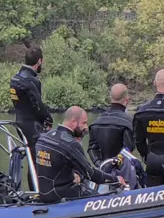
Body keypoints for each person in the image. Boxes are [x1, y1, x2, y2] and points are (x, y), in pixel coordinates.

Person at [34, 107, 123, 203]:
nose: (86, 127)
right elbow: (91, 174)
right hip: (62, 195)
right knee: (102, 198)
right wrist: (116, 179)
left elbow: (54, 167)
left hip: (44, 194)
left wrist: (75, 174)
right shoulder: (71, 144)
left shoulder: (43, 138)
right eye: (84, 123)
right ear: (73, 122)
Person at [10, 46, 54, 188]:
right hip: (32, 126)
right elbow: (37, 104)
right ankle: (38, 191)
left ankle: (34, 190)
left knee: (31, 159)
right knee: (38, 161)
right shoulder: (31, 81)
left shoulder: (15, 78)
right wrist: (48, 119)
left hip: (20, 123)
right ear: (39, 61)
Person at [88, 83, 135, 164]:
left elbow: (92, 149)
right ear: (127, 99)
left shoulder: (96, 123)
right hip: (122, 168)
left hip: (102, 168)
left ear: (110, 97)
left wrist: (100, 164)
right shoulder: (129, 122)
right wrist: (115, 164)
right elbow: (128, 149)